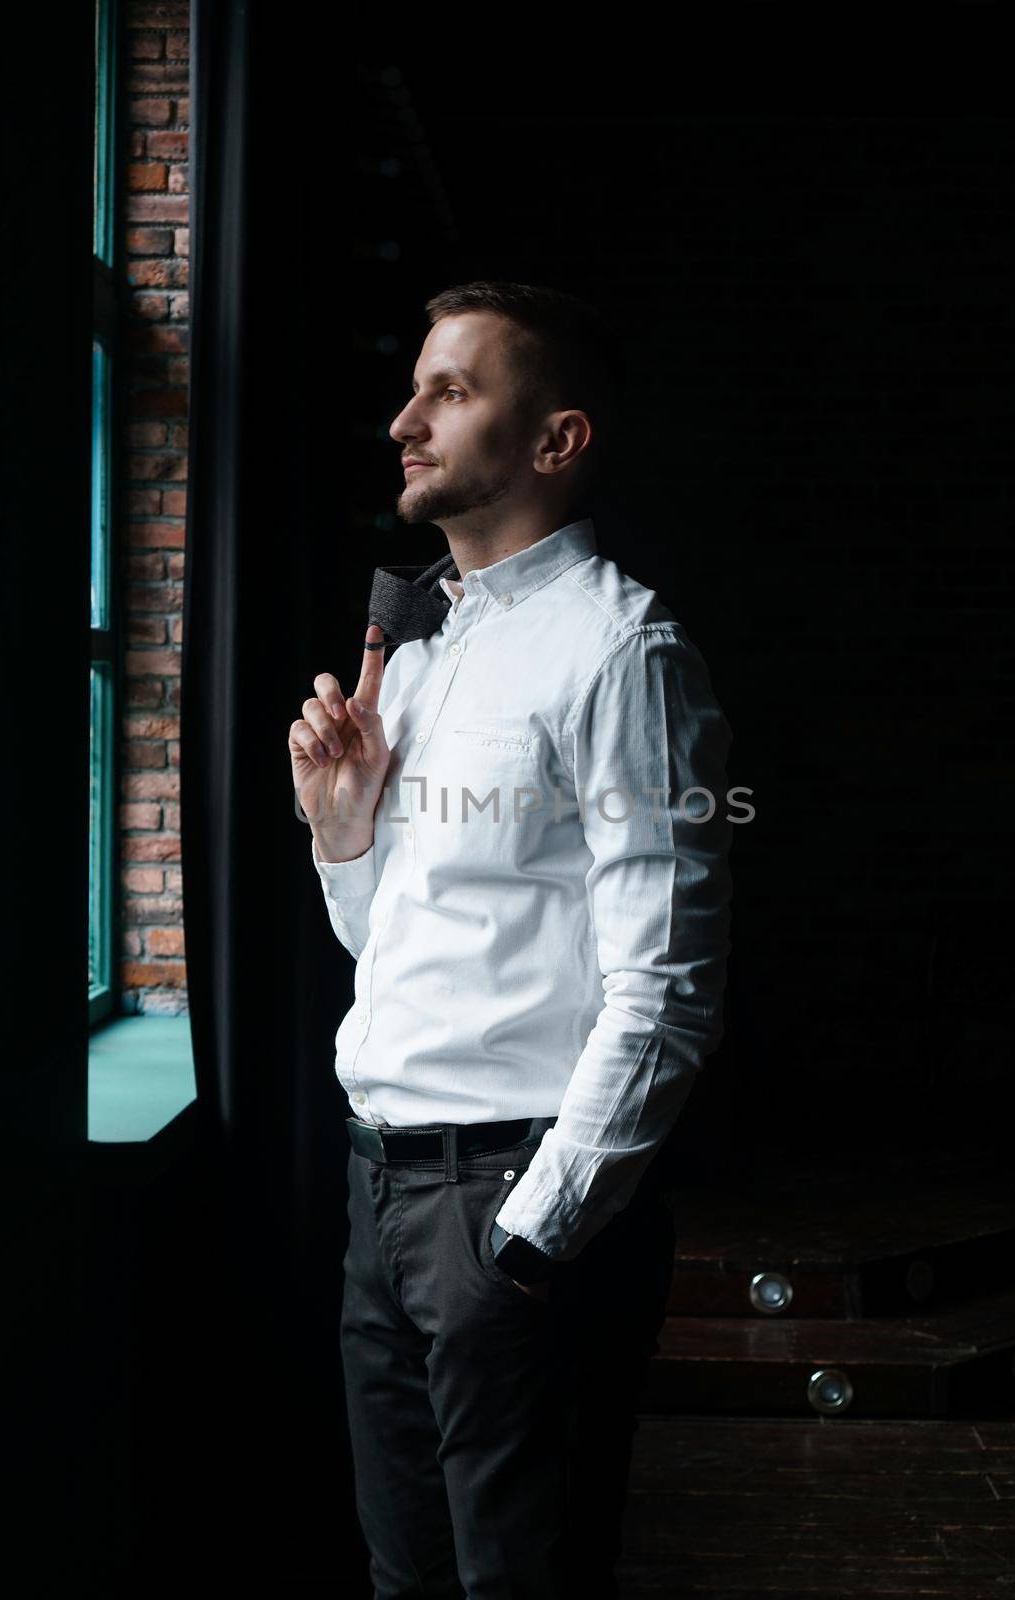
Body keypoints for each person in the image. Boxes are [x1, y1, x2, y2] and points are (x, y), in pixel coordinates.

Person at [288, 280, 734, 1599]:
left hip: (513, 1206)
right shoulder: (415, 655)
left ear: (557, 441)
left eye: (453, 390)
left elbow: (666, 989)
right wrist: (343, 829)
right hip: (383, 1199)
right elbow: (392, 948)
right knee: (405, 1577)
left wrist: (531, 1241)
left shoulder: (624, 650)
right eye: (416, 384)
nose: (404, 420)